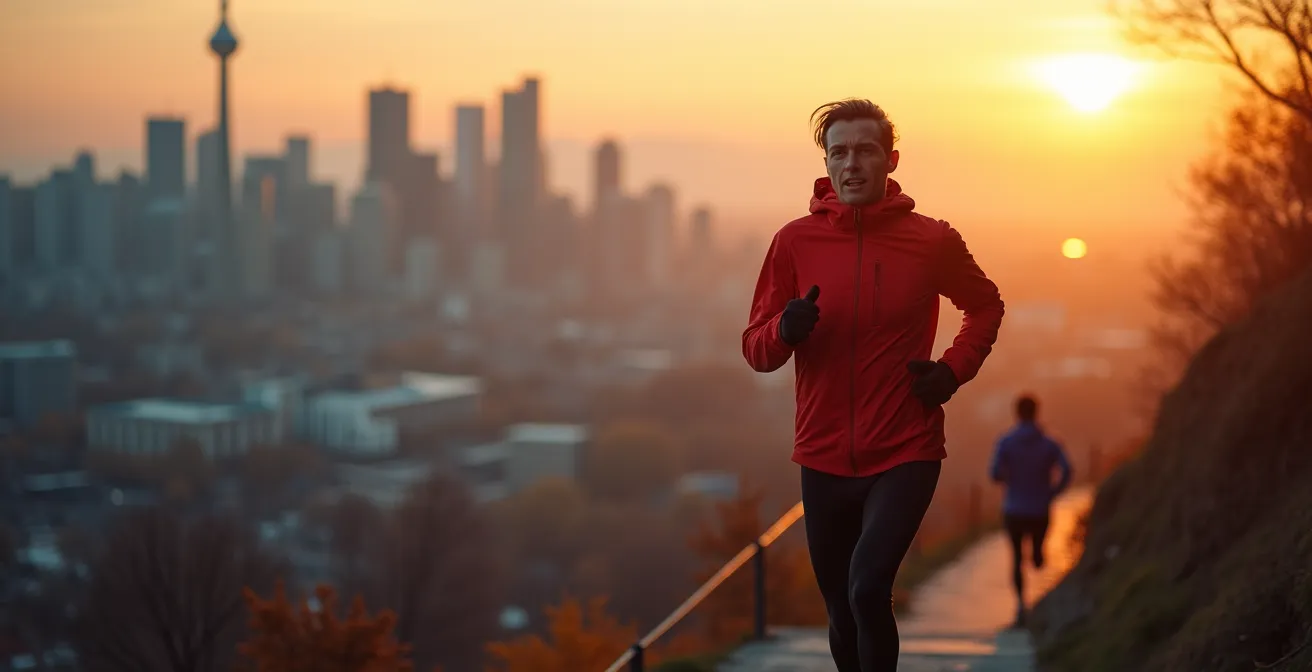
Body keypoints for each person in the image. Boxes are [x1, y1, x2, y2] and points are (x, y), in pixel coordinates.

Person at [741, 99, 1005, 672]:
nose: (851, 163)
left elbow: (985, 306)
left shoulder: (931, 240)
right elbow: (756, 348)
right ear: (826, 163)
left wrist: (953, 370)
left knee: (866, 591)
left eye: (864, 150)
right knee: (840, 610)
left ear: (890, 160)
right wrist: (785, 330)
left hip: (904, 448)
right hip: (822, 455)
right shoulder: (794, 242)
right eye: (839, 152)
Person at [988, 393, 1072, 627]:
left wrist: (1009, 478)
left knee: (1016, 559)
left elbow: (994, 473)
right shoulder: (1050, 443)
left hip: (1013, 508)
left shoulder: (1006, 442)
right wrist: (1053, 492)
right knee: (1036, 556)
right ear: (1037, 412)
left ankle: (1021, 606)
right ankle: (1037, 552)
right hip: (1039, 508)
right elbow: (1067, 470)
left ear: (1017, 413)